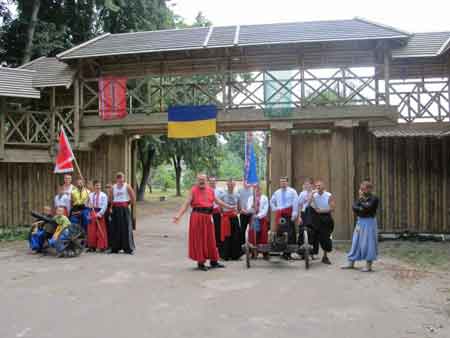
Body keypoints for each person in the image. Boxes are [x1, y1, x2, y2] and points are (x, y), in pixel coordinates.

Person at [173, 174, 235, 271]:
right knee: (200, 240)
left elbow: (218, 201)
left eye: (203, 179)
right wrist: (179, 215)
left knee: (211, 239)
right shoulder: (193, 190)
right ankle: (201, 263)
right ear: (197, 180)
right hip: (197, 217)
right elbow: (186, 204)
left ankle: (214, 261)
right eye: (199, 180)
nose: (201, 181)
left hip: (208, 217)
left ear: (206, 180)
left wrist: (229, 207)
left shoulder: (210, 190)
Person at [342, 181, 379, 272]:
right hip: (360, 221)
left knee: (368, 243)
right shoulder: (361, 198)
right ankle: (351, 263)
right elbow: (354, 207)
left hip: (369, 222)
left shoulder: (374, 198)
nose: (361, 190)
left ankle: (368, 266)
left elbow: (369, 207)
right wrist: (361, 207)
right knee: (356, 241)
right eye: (361, 189)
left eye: (363, 189)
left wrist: (362, 203)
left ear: (369, 189)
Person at [270, 176, 298, 259]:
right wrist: (275, 208)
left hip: (288, 214)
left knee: (290, 232)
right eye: (281, 182)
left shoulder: (292, 191)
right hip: (280, 214)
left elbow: (295, 202)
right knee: (280, 231)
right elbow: (271, 201)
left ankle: (289, 253)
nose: (282, 183)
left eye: (284, 181)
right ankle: (280, 249)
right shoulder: (277, 192)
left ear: (287, 182)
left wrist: (294, 213)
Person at [310, 180, 336, 265]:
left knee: (325, 237)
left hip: (326, 217)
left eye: (319, 185)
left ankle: (325, 256)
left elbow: (332, 208)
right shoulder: (314, 195)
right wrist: (311, 194)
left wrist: (321, 211)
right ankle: (312, 253)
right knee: (313, 234)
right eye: (316, 186)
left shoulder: (328, 195)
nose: (318, 187)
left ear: (323, 186)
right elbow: (309, 203)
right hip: (316, 218)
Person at [110, 172, 136, 254]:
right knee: (115, 228)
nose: (120, 179)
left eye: (121, 177)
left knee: (126, 228)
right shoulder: (113, 187)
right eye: (118, 177)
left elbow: (133, 198)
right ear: (116, 179)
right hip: (115, 209)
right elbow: (111, 198)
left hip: (124, 209)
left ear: (123, 178)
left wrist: (127, 204)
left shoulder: (127, 186)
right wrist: (111, 207)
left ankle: (128, 248)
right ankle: (115, 248)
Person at [220, 179, 243, 260]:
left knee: (236, 236)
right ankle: (225, 255)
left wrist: (237, 213)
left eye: (232, 184)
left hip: (234, 218)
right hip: (226, 218)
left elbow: (240, 208)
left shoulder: (237, 195)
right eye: (229, 184)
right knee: (226, 237)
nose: (231, 186)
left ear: (234, 185)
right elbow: (220, 208)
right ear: (227, 185)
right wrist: (225, 214)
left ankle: (235, 255)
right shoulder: (222, 195)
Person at [247, 185, 269, 259]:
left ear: (261, 190)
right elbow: (248, 209)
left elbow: (265, 210)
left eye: (259, 189)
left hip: (262, 219)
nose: (257, 191)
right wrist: (252, 207)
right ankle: (253, 252)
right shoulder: (251, 198)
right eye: (256, 190)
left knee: (263, 235)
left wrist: (259, 216)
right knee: (253, 235)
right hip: (253, 218)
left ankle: (264, 253)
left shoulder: (265, 198)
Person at [294, 178, 316, 257]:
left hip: (312, 214)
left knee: (312, 231)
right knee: (301, 230)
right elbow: (299, 205)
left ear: (312, 185)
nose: (306, 186)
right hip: (303, 213)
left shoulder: (315, 193)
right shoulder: (302, 194)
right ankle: (300, 251)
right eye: (305, 184)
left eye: (308, 184)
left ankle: (312, 252)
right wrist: (299, 217)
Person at [87, 180, 109, 252]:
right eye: (96, 186)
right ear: (93, 187)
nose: (98, 187)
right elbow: (86, 204)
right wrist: (89, 205)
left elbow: (105, 206)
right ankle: (92, 246)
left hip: (100, 212)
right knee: (92, 230)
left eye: (99, 185)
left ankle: (102, 246)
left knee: (100, 230)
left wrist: (100, 214)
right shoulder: (90, 195)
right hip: (92, 212)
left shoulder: (103, 195)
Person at [208, 176, 225, 253]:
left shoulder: (220, 191)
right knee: (210, 229)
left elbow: (222, 200)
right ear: (209, 182)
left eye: (214, 181)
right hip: (209, 212)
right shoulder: (207, 190)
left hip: (217, 212)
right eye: (211, 181)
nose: (212, 182)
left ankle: (218, 245)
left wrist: (222, 210)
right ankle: (210, 244)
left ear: (216, 182)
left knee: (218, 229)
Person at [237, 181, 255, 245]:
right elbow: (238, 201)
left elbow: (256, 200)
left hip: (251, 214)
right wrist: (241, 209)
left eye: (248, 181)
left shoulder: (253, 190)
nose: (247, 183)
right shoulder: (239, 190)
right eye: (245, 181)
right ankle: (243, 245)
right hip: (243, 213)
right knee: (242, 230)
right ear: (243, 182)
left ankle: (252, 245)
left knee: (252, 230)